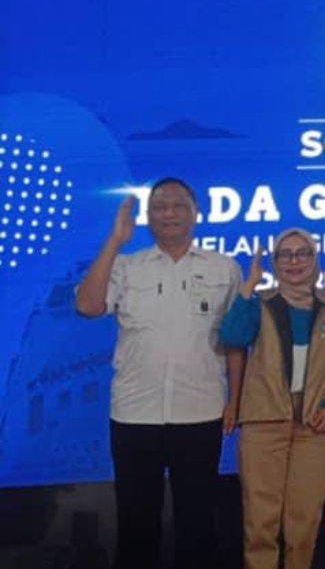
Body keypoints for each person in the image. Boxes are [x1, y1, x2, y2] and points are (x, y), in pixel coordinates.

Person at [75, 178, 242, 569]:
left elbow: (236, 341)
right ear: (148, 217)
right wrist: (115, 240)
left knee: (197, 525)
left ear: (196, 213)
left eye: (178, 205)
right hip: (135, 414)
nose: (169, 213)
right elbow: (87, 306)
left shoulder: (224, 268)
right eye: (160, 207)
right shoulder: (126, 266)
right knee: (136, 523)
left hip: (200, 412)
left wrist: (235, 400)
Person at [220, 228, 325, 569]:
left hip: (314, 426)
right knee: (260, 522)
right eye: (285, 254)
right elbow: (232, 336)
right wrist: (249, 287)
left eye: (303, 253)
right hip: (264, 423)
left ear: (315, 260)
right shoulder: (260, 304)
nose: (294, 262)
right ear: (275, 263)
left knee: (304, 522)